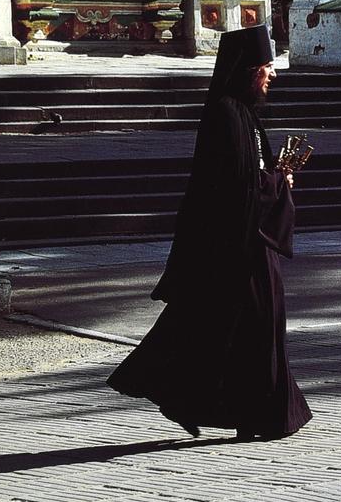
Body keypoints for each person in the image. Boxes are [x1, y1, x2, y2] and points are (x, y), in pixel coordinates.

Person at [109, 23, 312, 442]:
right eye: (267, 66)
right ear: (249, 68)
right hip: (236, 244)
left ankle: (225, 409)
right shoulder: (226, 115)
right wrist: (279, 183)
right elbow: (238, 186)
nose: (272, 74)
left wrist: (275, 179)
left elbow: (250, 176)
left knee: (233, 327)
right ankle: (251, 414)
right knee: (250, 325)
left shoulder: (243, 114)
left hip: (248, 239)